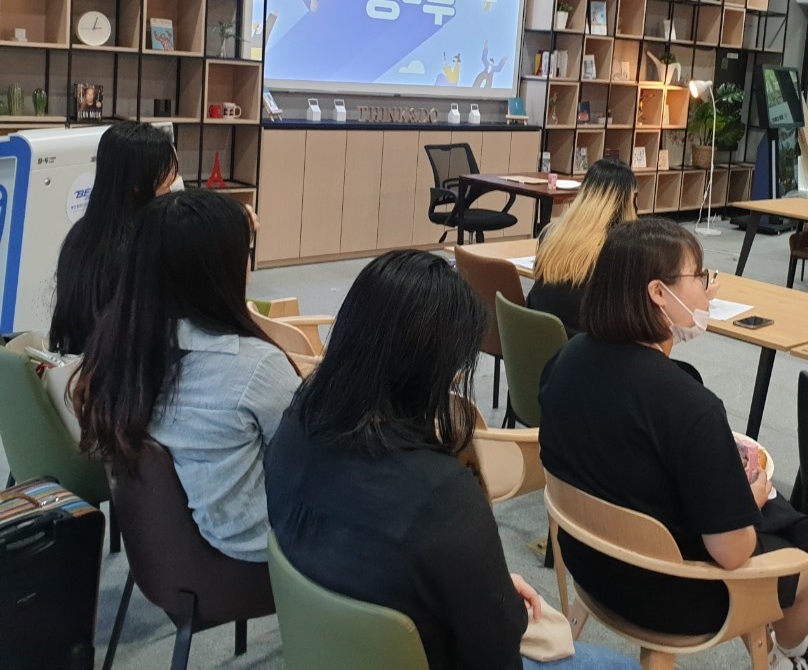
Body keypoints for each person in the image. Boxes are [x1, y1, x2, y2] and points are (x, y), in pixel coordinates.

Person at [265, 250, 638, 670]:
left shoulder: (295, 425)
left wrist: (486, 585)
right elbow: (496, 655)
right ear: (432, 369)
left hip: (327, 650)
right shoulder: (439, 494)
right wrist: (497, 601)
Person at [538, 219, 808, 670]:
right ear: (659, 293)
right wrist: (751, 499)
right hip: (667, 594)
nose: (708, 289)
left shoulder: (566, 357)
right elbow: (732, 553)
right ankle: (791, 653)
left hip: (587, 562)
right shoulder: (690, 407)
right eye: (699, 276)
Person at [72, 190, 300, 562]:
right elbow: (306, 454)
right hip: (252, 554)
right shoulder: (255, 366)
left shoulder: (118, 346)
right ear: (219, 270)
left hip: (164, 551)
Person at [50, 122, 180, 355]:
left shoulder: (79, 235)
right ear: (137, 185)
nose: (172, 188)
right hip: (124, 368)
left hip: (79, 364)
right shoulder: (142, 245)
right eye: (166, 180)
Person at [527, 158, 638, 336]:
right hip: (584, 346)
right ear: (626, 202)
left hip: (535, 339)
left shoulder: (551, 234)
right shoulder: (618, 250)